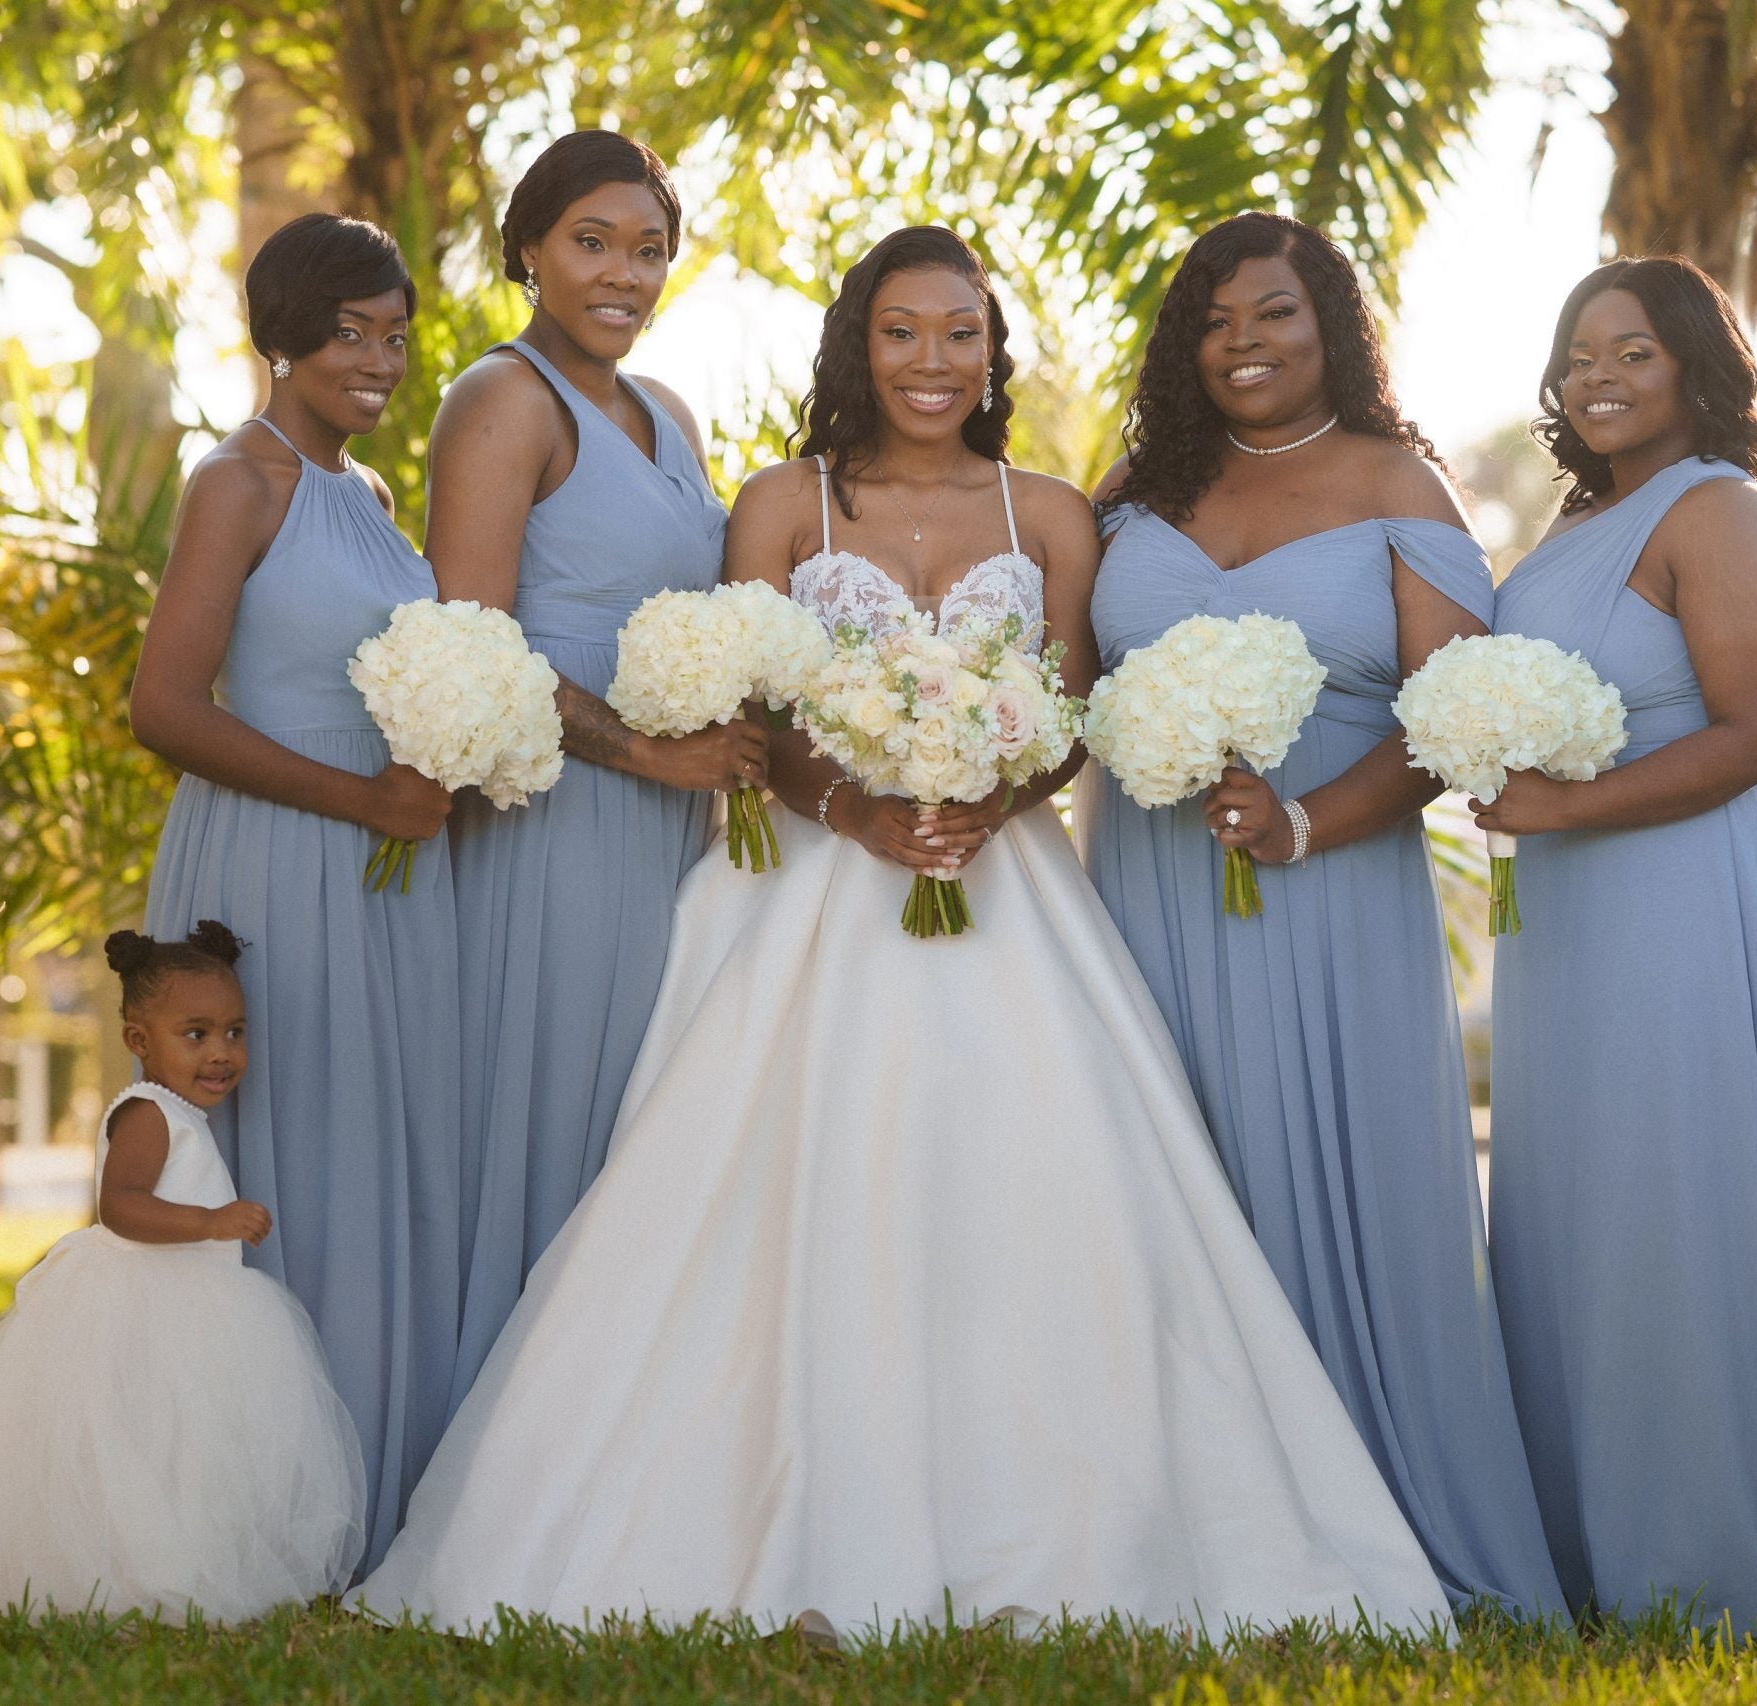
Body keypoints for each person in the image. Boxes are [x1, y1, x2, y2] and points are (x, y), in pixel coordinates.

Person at [356, 228, 1451, 1639]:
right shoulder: (779, 503)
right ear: (854, 350)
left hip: (1010, 886)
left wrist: (992, 797)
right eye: (901, 333)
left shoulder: (1052, 512)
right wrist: (858, 808)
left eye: (961, 334)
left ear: (993, 352)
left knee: (1038, 1183)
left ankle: (1082, 1518)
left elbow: (1067, 720)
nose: (933, 362)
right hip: (809, 886)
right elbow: (752, 712)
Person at [1080, 210, 1562, 1615]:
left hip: (1330, 889)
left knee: (1339, 1177)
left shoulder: (1396, 482)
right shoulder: (1133, 491)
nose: (1246, 344)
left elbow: (1449, 714)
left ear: (1330, 327)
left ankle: (1381, 1508)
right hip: (1149, 887)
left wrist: (1305, 819)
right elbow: (1061, 675)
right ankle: (1183, 1526)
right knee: (1166, 1173)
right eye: (1218, 321)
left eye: (1276, 315)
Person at [1482, 255, 1757, 1630]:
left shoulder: (1719, 510)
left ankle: (1702, 1542)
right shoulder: (1566, 532)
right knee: (1581, 1203)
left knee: (1671, 1193)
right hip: (1565, 906)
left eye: (1632, 353)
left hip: (1678, 891)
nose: (1597, 377)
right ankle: (1586, 1529)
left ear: (1694, 367)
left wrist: (1565, 803)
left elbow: (1755, 737)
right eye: (1578, 356)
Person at [129, 212, 460, 1575]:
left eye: (394, 336)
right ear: (283, 336)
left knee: (372, 1165)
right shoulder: (239, 484)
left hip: (387, 872)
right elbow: (162, 705)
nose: (376, 360)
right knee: (280, 1168)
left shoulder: (372, 499)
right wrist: (361, 800)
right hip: (270, 861)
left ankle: (361, 1501)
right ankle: (242, 1515)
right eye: (349, 334)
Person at [426, 131, 758, 1408]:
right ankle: (502, 1443)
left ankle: (618, 1431)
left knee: (646, 1115)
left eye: (650, 248)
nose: (624, 272)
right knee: (553, 1110)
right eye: (592, 242)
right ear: (528, 251)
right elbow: (475, 641)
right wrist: (643, 750)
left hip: (676, 823)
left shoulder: (664, 412)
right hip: (558, 816)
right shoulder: (501, 400)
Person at [0, 924, 364, 1620]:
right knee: (140, 1444)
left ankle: (182, 1566)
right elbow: (119, 1207)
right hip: (149, 1300)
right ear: (138, 1042)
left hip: (193, 1301)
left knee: (187, 1449)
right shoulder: (148, 1114)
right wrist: (209, 1223)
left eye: (234, 1033)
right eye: (197, 1034)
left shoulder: (176, 1111)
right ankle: (129, 1573)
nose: (221, 1053)